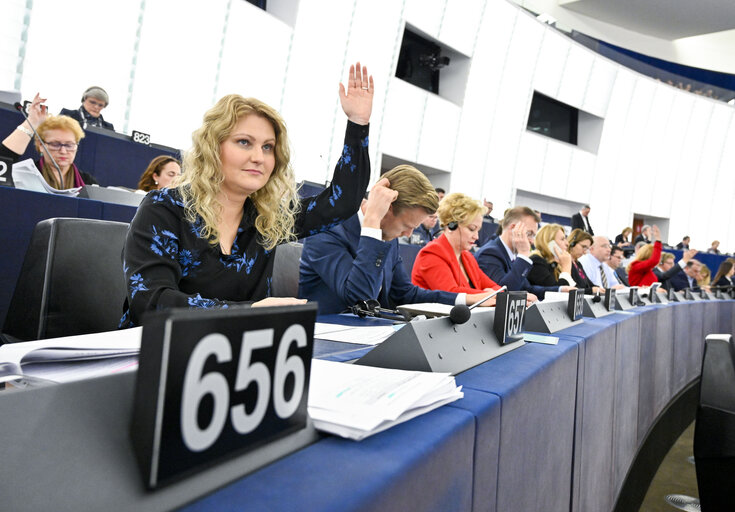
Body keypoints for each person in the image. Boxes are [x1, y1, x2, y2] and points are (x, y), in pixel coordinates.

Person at [120, 62, 374, 327]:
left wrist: (358, 124)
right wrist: (249, 311)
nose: (258, 158)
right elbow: (151, 302)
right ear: (212, 147)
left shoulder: (267, 218)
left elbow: (341, 202)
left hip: (233, 357)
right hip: (149, 355)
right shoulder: (164, 209)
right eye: (244, 142)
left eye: (268, 147)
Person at [300, 168, 495, 314]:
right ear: (387, 208)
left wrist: (469, 299)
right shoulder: (328, 230)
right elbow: (359, 298)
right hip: (326, 340)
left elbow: (406, 294)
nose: (409, 234)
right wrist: (372, 223)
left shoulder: (387, 236)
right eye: (407, 225)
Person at [411, 193, 503, 297]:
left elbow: (496, 288)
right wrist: (489, 295)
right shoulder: (431, 254)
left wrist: (494, 294)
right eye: (472, 229)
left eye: (478, 230)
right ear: (452, 225)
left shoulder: (468, 257)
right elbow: (450, 294)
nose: (476, 237)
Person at [1, 94, 98, 188]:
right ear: (41, 145)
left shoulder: (88, 182)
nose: (63, 151)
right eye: (55, 144)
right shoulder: (25, 174)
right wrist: (31, 122)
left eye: (69, 145)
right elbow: (3, 159)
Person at [474, 206, 565, 300]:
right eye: (529, 234)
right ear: (513, 228)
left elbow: (528, 289)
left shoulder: (511, 254)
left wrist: (560, 290)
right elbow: (502, 294)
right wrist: (524, 254)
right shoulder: (490, 253)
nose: (532, 241)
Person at [526, 224, 577, 289]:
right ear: (549, 243)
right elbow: (557, 292)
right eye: (562, 239)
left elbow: (574, 290)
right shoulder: (536, 261)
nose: (567, 243)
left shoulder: (555, 264)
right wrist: (566, 268)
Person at [567, 228, 604, 294]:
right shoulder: (566, 264)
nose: (584, 252)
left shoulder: (578, 264)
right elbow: (571, 288)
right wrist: (591, 290)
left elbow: (589, 284)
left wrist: (600, 289)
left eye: (587, 249)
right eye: (583, 247)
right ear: (572, 243)